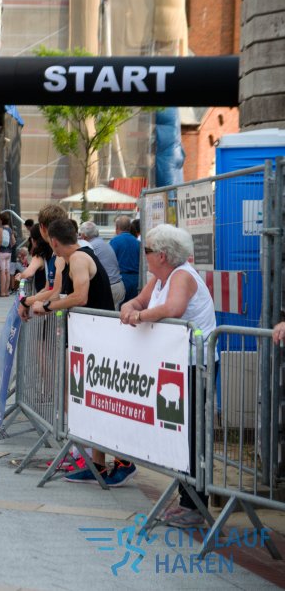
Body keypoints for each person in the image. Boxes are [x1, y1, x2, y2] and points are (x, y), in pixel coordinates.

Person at [120, 224, 216, 527]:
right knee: (179, 432)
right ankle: (188, 501)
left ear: (162, 255)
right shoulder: (161, 277)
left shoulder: (182, 275)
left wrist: (138, 315)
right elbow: (140, 300)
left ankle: (195, 505)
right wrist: (130, 306)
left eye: (147, 250)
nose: (144, 255)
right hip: (175, 366)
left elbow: (173, 308)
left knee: (192, 435)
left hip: (194, 365)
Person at [23, 218, 129, 486]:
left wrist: (48, 307)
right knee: (89, 402)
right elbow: (61, 293)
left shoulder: (80, 259)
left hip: (98, 339)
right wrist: (39, 303)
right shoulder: (73, 259)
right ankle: (97, 464)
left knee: (98, 402)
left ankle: (123, 460)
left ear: (53, 241)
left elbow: (80, 297)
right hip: (89, 339)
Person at [78, 221, 124, 310]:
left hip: (109, 287)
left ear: (84, 236)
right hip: (118, 285)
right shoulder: (102, 242)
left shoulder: (90, 247)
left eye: (80, 234)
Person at [111, 215, 141, 304]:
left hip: (121, 279)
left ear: (117, 227)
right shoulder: (138, 242)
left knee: (121, 307)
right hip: (137, 280)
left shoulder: (114, 241)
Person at [0, 212, 15, 297]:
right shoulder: (10, 229)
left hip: (1, 252)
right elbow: (14, 241)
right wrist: (9, 247)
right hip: (8, 252)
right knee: (7, 272)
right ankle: (6, 292)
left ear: (1, 220)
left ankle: (2, 292)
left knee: (2, 272)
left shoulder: (1, 229)